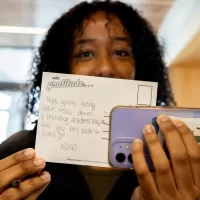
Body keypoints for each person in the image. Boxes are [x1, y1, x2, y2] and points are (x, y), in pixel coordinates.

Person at [0, 1, 200, 200]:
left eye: (121, 52)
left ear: (141, 67)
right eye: (85, 54)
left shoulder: (178, 159)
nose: (105, 68)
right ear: (62, 67)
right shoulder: (19, 151)